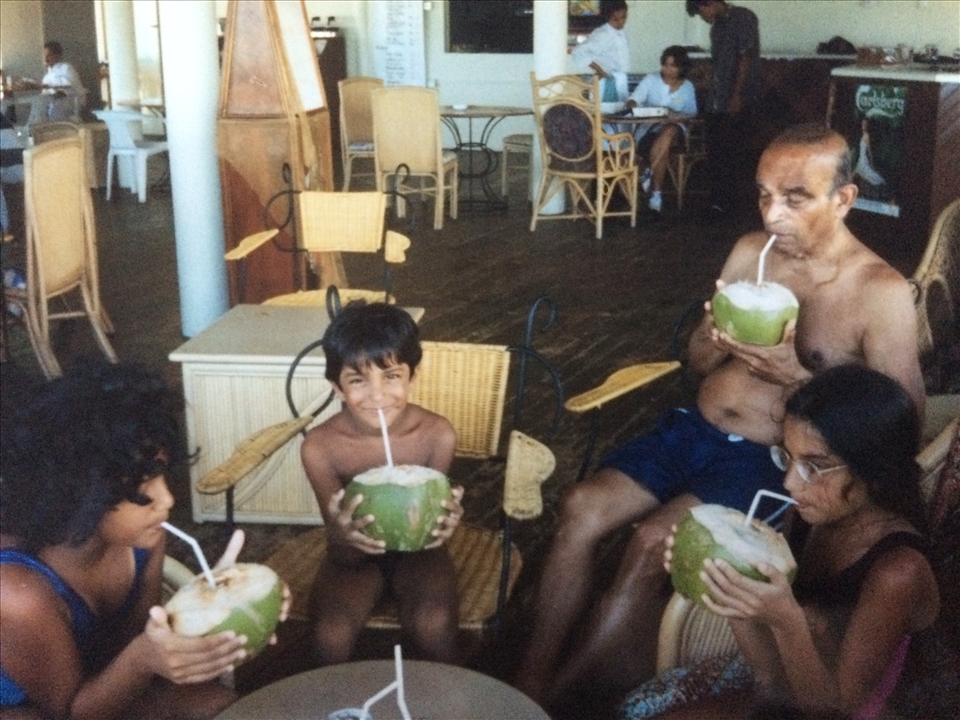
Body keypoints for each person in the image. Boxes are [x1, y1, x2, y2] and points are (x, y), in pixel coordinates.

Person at [515, 123, 926, 711]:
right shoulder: (748, 252)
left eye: (794, 197)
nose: (773, 214)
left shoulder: (880, 291)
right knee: (581, 508)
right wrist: (714, 338)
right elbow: (696, 357)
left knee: (650, 541)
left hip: (767, 457)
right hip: (693, 428)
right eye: (763, 194)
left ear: (844, 199)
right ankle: (527, 676)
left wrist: (794, 375)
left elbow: (901, 419)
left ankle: (552, 700)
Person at [619, 364, 940, 719]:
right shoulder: (803, 519)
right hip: (792, 696)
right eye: (786, 456)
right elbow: (769, 676)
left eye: (814, 466)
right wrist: (731, 593)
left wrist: (788, 620)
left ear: (873, 471)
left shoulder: (897, 572)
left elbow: (834, 712)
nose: (789, 483)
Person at [0, 362, 276, 719]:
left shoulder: (144, 539)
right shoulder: (17, 592)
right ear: (83, 493)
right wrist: (143, 659)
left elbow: (134, 645)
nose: (167, 501)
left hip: (102, 688)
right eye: (141, 490)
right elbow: (68, 713)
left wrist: (220, 605)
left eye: (162, 476)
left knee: (224, 707)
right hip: (37, 709)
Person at [300, 302, 465, 665]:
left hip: (420, 553)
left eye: (390, 376)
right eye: (358, 380)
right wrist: (344, 534)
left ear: (413, 376)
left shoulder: (437, 435)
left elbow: (428, 537)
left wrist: (445, 523)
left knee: (434, 626)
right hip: (352, 558)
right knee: (330, 636)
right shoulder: (320, 447)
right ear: (337, 387)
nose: (376, 396)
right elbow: (339, 545)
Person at [686, 0, 761, 218]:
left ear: (709, 3)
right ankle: (718, 203)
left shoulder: (744, 17)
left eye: (703, 12)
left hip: (738, 98)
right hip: (717, 100)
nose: (704, 18)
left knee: (731, 152)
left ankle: (732, 206)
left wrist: (736, 96)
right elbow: (719, 63)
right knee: (715, 151)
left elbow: (745, 59)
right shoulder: (717, 27)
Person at [624, 46, 698, 214]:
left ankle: (649, 175)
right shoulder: (651, 80)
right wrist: (634, 106)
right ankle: (656, 193)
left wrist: (675, 115)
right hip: (649, 129)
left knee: (670, 130)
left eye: (673, 65)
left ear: (682, 67)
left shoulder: (687, 87)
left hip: (677, 133)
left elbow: (692, 113)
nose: (667, 69)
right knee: (662, 146)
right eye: (665, 64)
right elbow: (634, 100)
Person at [571, 0, 631, 102]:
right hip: (607, 81)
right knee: (605, 114)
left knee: (620, 112)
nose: (621, 22)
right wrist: (600, 71)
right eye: (616, 19)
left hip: (620, 81)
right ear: (607, 17)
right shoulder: (603, 34)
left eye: (624, 17)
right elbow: (578, 51)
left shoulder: (621, 32)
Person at [39, 41, 86, 121]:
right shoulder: (48, 75)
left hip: (70, 107)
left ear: (58, 56)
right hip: (53, 107)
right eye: (44, 55)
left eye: (49, 55)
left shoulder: (66, 68)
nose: (46, 58)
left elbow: (64, 88)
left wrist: (38, 85)